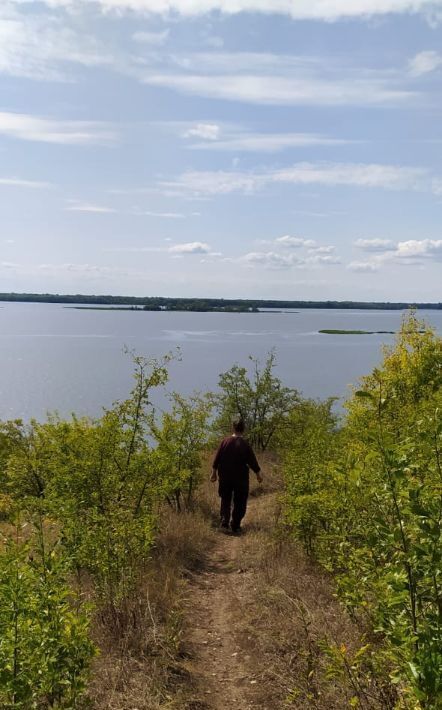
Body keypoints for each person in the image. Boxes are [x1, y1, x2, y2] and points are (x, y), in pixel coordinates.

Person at [211, 417, 263, 534]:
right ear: (243, 429)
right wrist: (258, 474)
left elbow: (217, 459)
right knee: (240, 501)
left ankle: (224, 522)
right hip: (241, 478)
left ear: (233, 427)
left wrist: (213, 473)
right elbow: (252, 461)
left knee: (225, 499)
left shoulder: (225, 442)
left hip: (225, 476)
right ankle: (235, 525)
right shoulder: (245, 445)